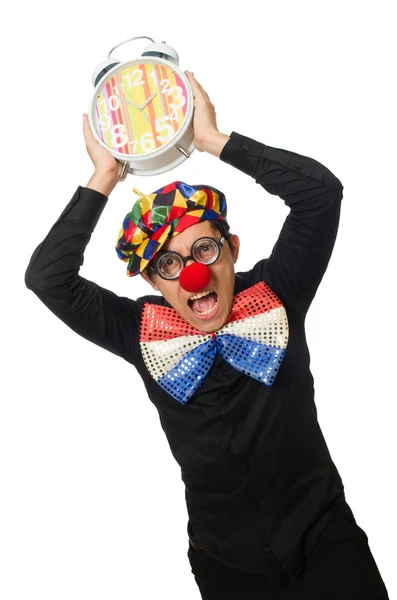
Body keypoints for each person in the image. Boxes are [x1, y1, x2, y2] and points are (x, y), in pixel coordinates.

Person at [24, 70, 389, 599]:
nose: (191, 273)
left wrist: (214, 142)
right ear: (150, 280)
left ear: (232, 248)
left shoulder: (278, 290)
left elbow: (321, 195)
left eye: (203, 250)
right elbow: (47, 279)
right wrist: (104, 176)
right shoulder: (139, 331)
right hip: (226, 566)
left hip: (324, 541)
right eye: (168, 263)